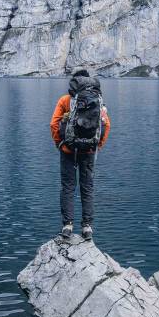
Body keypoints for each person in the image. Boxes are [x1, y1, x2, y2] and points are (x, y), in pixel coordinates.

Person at [49, 68, 110, 241]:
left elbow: (53, 124)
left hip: (68, 149)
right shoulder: (98, 100)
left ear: (74, 83)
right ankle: (87, 227)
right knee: (87, 187)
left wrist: (60, 145)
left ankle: (67, 225)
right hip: (89, 150)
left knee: (68, 186)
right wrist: (97, 146)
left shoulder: (65, 100)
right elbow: (106, 125)